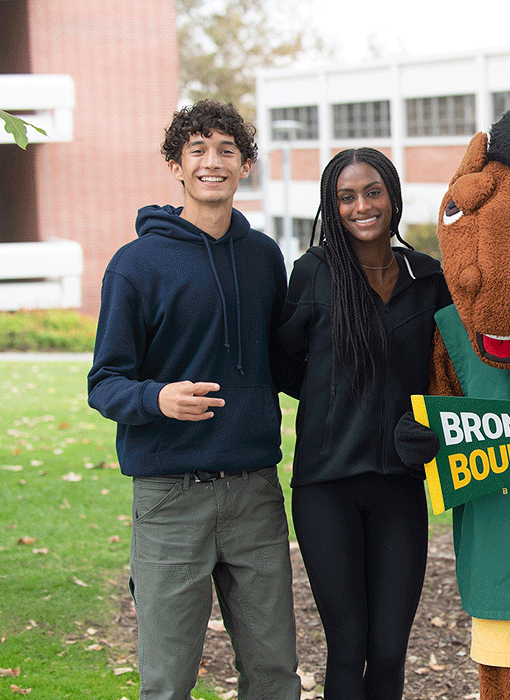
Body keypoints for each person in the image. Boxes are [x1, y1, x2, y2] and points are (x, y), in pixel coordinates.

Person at [88, 100, 299, 700]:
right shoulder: (135, 265)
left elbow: (284, 362)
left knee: (275, 674)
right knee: (167, 680)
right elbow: (104, 382)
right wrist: (158, 399)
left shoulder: (263, 258)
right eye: (198, 150)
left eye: (226, 150)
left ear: (246, 165)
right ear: (176, 166)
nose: (213, 162)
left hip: (255, 493)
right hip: (169, 500)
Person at [275, 148, 451, 699]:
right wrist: (340, 404)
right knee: (348, 649)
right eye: (347, 196)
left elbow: (447, 373)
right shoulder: (313, 274)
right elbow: (284, 365)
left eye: (372, 191)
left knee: (392, 651)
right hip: (327, 487)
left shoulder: (427, 277)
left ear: (393, 195)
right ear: (332, 204)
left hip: (401, 486)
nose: (361, 206)